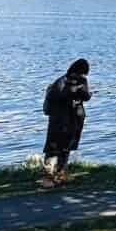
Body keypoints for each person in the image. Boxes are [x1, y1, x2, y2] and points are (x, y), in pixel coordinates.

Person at [41, 58, 92, 186]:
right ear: (73, 70)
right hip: (58, 122)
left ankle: (60, 174)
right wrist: (73, 91)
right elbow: (54, 96)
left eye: (83, 74)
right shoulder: (60, 82)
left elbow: (86, 96)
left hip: (73, 120)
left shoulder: (82, 81)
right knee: (52, 149)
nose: (81, 76)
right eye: (80, 73)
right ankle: (48, 177)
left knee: (66, 148)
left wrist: (82, 91)